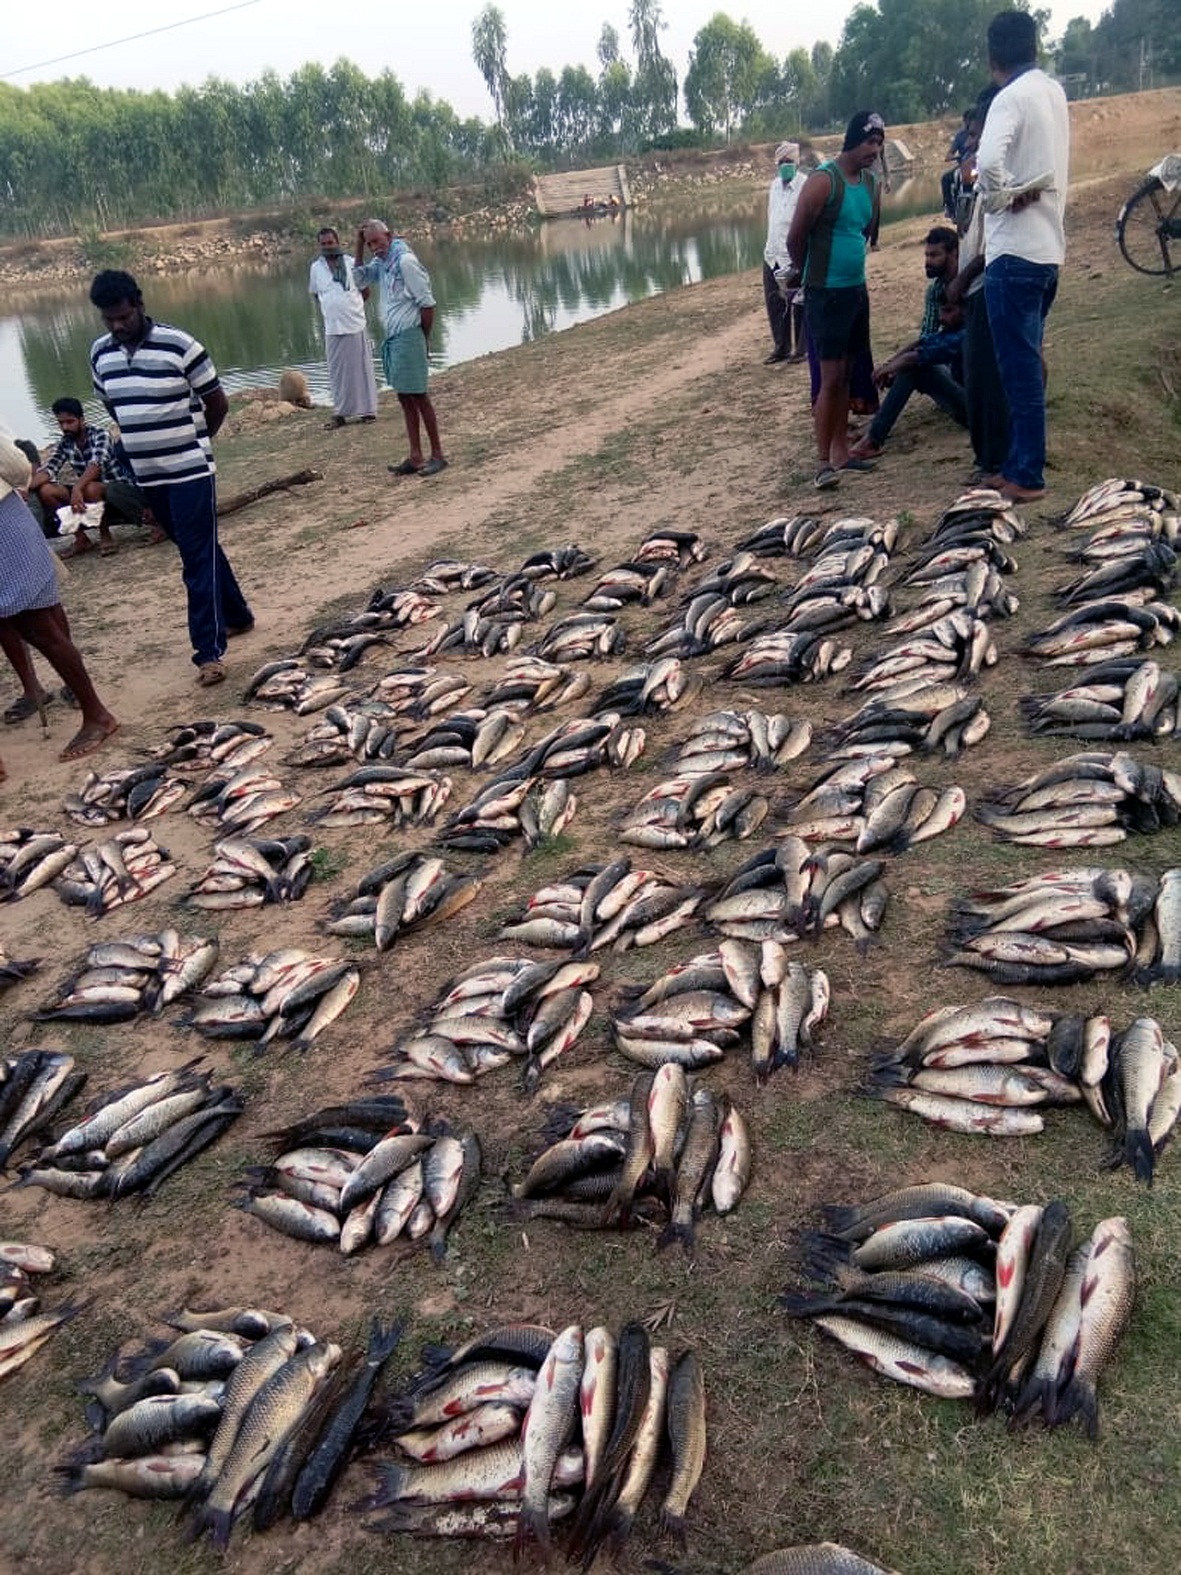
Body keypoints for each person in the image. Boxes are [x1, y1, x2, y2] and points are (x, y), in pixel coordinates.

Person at [88, 270, 254, 688]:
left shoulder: (181, 345)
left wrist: (195, 444)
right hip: (148, 475)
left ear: (139, 304)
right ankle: (238, 615)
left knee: (194, 559)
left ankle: (209, 652)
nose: (117, 326)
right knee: (197, 546)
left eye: (123, 316)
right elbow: (114, 408)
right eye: (109, 320)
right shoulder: (100, 355)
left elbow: (217, 403)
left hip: (190, 471)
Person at [975, 9, 1069, 503]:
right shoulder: (1054, 92)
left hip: (1014, 254)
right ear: (1033, 48)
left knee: (1018, 370)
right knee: (1026, 363)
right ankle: (1018, 462)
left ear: (993, 57)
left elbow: (988, 162)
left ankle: (1027, 474)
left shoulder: (1009, 98)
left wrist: (1003, 194)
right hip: (1049, 251)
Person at [0, 432, 118, 772]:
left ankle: (97, 715)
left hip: (3, 524)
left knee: (38, 626)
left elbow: (15, 464)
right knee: (19, 622)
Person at [786, 110, 885, 489]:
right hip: (824, 294)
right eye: (868, 143)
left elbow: (865, 234)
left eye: (878, 144)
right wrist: (807, 274)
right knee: (829, 379)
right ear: (851, 140)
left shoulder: (871, 184)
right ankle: (823, 461)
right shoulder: (823, 182)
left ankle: (843, 452)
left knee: (846, 374)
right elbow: (796, 237)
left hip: (855, 290)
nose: (873, 151)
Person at [848, 227, 967, 460]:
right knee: (913, 363)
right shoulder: (938, 292)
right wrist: (894, 363)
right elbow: (928, 339)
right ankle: (874, 431)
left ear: (954, 254)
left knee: (914, 364)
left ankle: (874, 437)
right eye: (927, 255)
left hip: (977, 401)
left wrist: (897, 364)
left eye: (935, 256)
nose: (928, 261)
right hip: (953, 369)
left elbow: (931, 349)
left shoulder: (971, 297)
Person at [946, 86, 1010, 484]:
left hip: (987, 284)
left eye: (975, 135)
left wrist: (963, 278)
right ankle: (985, 458)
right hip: (973, 288)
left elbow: (996, 242)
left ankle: (996, 462)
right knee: (976, 375)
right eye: (967, 135)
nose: (968, 143)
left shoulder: (1000, 176)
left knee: (989, 377)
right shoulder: (973, 181)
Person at [354, 219, 447, 478]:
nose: (375, 247)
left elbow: (427, 305)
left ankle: (437, 455)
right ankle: (416, 456)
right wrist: (358, 245)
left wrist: (423, 339)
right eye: (370, 243)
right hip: (394, 338)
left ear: (389, 236)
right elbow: (359, 279)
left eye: (377, 241)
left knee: (419, 396)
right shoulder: (383, 262)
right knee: (404, 396)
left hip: (409, 336)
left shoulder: (405, 262)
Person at [27, 396, 146, 556]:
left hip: (116, 488)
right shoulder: (65, 443)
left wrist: (77, 487)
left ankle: (105, 535)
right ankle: (81, 539)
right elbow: (50, 469)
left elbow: (96, 465)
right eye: (61, 423)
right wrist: (24, 488)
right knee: (47, 490)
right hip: (87, 490)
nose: (65, 427)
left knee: (90, 487)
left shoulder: (100, 434)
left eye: (70, 422)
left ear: (81, 420)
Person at [309, 227, 378, 431]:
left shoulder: (350, 264)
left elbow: (365, 292)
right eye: (323, 244)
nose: (327, 247)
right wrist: (330, 307)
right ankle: (340, 414)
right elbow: (315, 293)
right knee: (337, 372)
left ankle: (368, 411)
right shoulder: (316, 268)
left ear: (337, 242)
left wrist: (349, 305)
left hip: (354, 323)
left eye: (330, 242)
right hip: (332, 326)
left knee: (361, 369)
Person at [763, 140, 807, 364]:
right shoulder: (773, 186)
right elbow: (772, 217)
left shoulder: (805, 185)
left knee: (799, 300)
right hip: (772, 254)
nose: (784, 166)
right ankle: (781, 347)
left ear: (797, 162)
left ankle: (800, 350)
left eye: (788, 161)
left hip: (794, 254)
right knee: (775, 301)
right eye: (781, 162)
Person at [942, 111, 974, 218]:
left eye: (971, 120)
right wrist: (957, 157)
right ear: (965, 121)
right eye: (967, 120)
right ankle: (950, 208)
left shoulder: (981, 132)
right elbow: (948, 155)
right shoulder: (960, 136)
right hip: (963, 165)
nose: (969, 123)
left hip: (977, 165)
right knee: (945, 178)